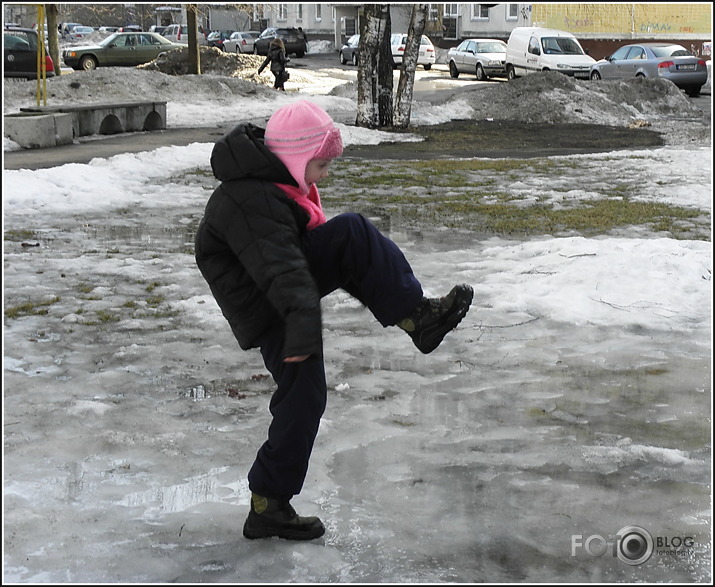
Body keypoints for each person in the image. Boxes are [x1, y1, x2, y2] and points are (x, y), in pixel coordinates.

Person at [194, 100, 473, 541]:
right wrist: (303, 333)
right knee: (351, 236)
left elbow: (294, 261)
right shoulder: (250, 199)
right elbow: (282, 272)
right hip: (270, 304)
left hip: (279, 296)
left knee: (305, 399)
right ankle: (417, 319)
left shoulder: (269, 185)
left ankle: (268, 504)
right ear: (294, 156)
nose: (324, 174)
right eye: (320, 164)